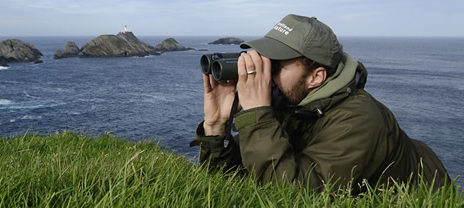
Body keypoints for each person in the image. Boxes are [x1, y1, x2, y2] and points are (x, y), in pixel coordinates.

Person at [191, 14, 450, 193]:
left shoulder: (359, 120)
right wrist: (216, 126)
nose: (265, 73)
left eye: (276, 65)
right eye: (264, 59)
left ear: (316, 77)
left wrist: (257, 115)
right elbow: (236, 178)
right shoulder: (292, 102)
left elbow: (294, 196)